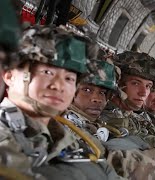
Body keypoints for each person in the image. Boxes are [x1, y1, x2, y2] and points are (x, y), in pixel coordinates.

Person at [0, 25, 122, 180]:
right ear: (10, 76)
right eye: (47, 72)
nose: (59, 85)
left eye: (69, 78)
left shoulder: (65, 138)